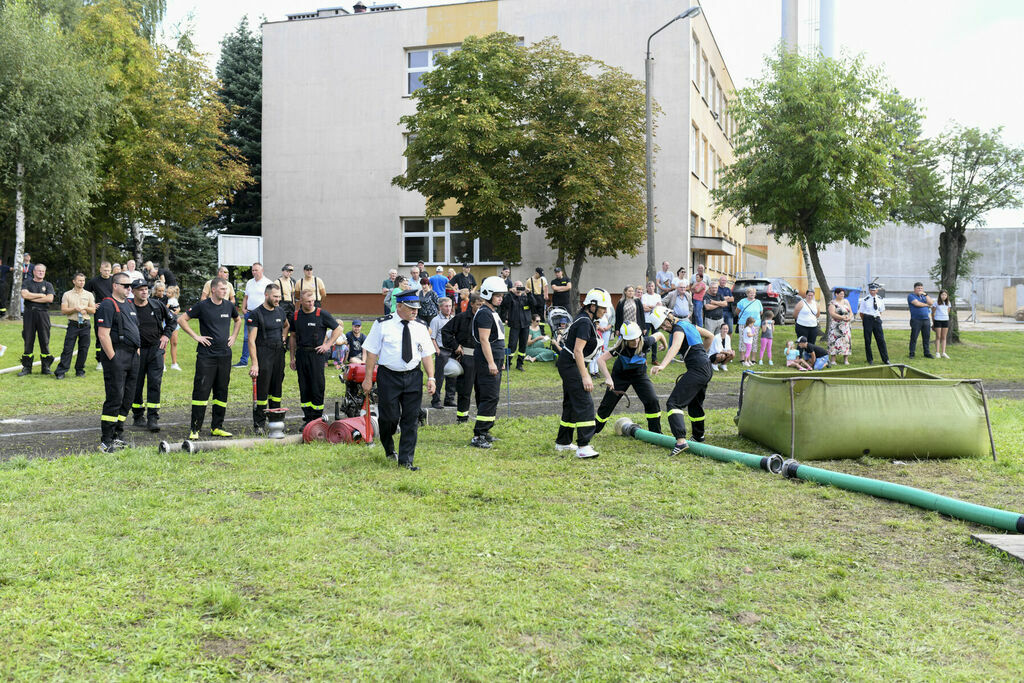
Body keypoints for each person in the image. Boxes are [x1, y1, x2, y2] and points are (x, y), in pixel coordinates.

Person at [362, 289, 437, 471]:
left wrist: (431, 378)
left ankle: (406, 461)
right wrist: (367, 378)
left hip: (413, 376)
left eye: (417, 308)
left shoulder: (420, 326)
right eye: (411, 308)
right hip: (389, 376)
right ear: (400, 306)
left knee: (411, 419)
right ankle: (389, 448)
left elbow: (427, 354)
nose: (415, 312)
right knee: (389, 418)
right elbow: (372, 352)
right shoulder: (382, 324)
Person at [178, 277, 242, 439]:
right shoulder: (202, 306)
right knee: (202, 390)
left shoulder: (229, 305)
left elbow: (238, 320)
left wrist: (233, 336)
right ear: (213, 289)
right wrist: (196, 337)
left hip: (224, 355)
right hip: (207, 356)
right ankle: (195, 429)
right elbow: (181, 319)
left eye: (226, 289)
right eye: (222, 288)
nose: (225, 291)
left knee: (222, 391)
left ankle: (217, 427)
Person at [553, 288, 611, 458]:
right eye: (603, 308)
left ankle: (563, 442)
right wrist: (585, 376)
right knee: (585, 403)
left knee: (571, 403)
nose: (605, 311)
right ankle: (583, 446)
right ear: (592, 306)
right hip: (572, 363)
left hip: (569, 362)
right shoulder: (585, 322)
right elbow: (578, 351)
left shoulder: (587, 320)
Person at [650, 305, 715, 455]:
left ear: (669, 317)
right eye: (661, 327)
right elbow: (710, 336)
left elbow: (676, 346)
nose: (665, 328)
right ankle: (698, 437)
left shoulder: (678, 328)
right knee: (694, 403)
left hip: (698, 369)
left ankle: (680, 441)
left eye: (664, 324)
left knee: (673, 403)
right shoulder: (688, 324)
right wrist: (702, 354)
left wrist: (662, 365)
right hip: (705, 367)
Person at [95, 272, 141, 452]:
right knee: (115, 398)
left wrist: (137, 352)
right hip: (117, 355)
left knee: (127, 398)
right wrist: (113, 358)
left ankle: (117, 435)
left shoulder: (129, 304)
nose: (129, 289)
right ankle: (106, 440)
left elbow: (135, 329)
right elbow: (103, 334)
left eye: (130, 286)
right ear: (115, 285)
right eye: (125, 285)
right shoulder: (107, 304)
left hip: (132, 356)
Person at [593, 321, 662, 436]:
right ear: (625, 339)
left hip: (639, 376)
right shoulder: (620, 347)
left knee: (652, 400)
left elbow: (659, 335)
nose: (635, 342)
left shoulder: (645, 342)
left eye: (637, 338)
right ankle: (593, 430)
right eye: (631, 340)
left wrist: (664, 345)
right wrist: (608, 378)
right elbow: (600, 360)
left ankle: (656, 433)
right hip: (620, 376)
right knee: (607, 405)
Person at [289, 288, 344, 425]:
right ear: (300, 301)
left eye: (313, 300)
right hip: (301, 355)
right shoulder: (296, 316)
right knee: (304, 387)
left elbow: (338, 329)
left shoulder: (321, 314)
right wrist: (292, 358)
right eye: (308, 301)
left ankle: (317, 418)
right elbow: (293, 337)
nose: (311, 303)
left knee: (317, 386)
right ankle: (307, 419)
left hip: (316, 355)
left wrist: (328, 345)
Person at [129, 279, 176, 432]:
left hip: (155, 350)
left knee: (155, 383)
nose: (144, 292)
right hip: (136, 351)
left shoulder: (157, 305)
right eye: (140, 289)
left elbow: (172, 320)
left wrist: (166, 336)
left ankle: (153, 417)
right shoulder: (128, 307)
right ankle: (137, 415)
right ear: (133, 291)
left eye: (146, 289)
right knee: (136, 384)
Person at [469, 276, 508, 448]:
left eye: (502, 295)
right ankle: (479, 435)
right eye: (497, 295)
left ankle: (485, 431)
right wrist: (491, 363)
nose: (500, 298)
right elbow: (484, 340)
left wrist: (500, 361)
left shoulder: (491, 312)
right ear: (488, 294)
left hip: (495, 358)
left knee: (492, 396)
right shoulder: (484, 313)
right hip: (487, 360)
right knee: (489, 396)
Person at [247, 283, 289, 433]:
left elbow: (286, 325)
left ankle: (276, 421)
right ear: (266, 295)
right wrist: (255, 364)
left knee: (276, 390)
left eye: (279, 296)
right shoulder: (256, 314)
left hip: (279, 354)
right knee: (262, 391)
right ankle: (259, 424)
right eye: (275, 296)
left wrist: (284, 337)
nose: (278, 299)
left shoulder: (280, 312)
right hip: (263, 353)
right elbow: (251, 340)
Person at [440, 293, 484, 423]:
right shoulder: (461, 318)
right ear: (471, 304)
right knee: (465, 390)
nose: (481, 307)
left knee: (482, 389)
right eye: (478, 305)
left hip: (482, 358)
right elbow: (445, 331)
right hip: (466, 358)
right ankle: (462, 418)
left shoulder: (487, 318)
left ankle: (482, 417)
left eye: (483, 305)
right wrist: (455, 346)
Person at [54, 272, 96, 380]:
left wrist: (85, 308)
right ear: (74, 281)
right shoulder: (67, 294)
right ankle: (61, 371)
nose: (82, 282)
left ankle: (80, 370)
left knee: (84, 349)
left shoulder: (89, 295)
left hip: (85, 325)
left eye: (83, 281)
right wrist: (74, 309)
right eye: (79, 280)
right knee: (68, 348)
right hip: (73, 325)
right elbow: (63, 310)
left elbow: (93, 310)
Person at [19, 264, 56, 376]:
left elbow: (49, 298)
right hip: (29, 313)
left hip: (43, 314)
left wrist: (32, 296)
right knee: (28, 339)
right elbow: (24, 295)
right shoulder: (27, 283)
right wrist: (40, 295)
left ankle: (45, 367)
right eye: (38, 271)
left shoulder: (48, 284)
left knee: (44, 340)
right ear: (34, 272)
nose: (40, 273)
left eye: (43, 271)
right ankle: (27, 367)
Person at [235, 262, 274, 368]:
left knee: (263, 336)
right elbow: (246, 297)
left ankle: (263, 358)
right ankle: (244, 361)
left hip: (263, 313)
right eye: (253, 270)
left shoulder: (268, 283)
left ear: (262, 270)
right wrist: (243, 308)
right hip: (250, 313)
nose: (254, 272)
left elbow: (272, 299)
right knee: (247, 337)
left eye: (256, 270)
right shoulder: (249, 282)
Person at [427, 300, 456, 408]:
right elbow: (432, 337)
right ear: (440, 307)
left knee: (453, 376)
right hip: (442, 351)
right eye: (446, 306)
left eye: (450, 306)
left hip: (452, 350)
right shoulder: (436, 320)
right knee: (439, 378)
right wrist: (437, 349)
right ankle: (436, 400)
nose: (448, 308)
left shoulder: (453, 318)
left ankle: (449, 399)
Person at [504, 281, 532, 372]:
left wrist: (529, 294)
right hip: (515, 325)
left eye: (521, 286)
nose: (519, 288)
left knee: (523, 345)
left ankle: (520, 364)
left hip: (525, 325)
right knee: (512, 345)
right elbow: (505, 303)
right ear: (514, 287)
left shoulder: (525, 297)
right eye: (517, 286)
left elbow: (534, 304)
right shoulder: (511, 297)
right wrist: (511, 293)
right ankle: (508, 363)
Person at [859, 282, 889, 365]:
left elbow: (880, 311)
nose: (872, 291)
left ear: (877, 290)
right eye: (871, 290)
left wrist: (876, 317)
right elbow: (861, 313)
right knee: (868, 340)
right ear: (869, 290)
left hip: (877, 320)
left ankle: (885, 359)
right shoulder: (865, 300)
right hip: (868, 319)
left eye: (874, 290)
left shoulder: (880, 299)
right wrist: (866, 320)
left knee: (881, 340)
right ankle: (870, 359)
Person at [907, 282, 935, 359]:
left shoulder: (924, 296)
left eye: (921, 288)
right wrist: (927, 305)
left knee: (926, 337)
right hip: (916, 320)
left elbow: (931, 302)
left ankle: (927, 352)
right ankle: (912, 353)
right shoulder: (911, 296)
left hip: (926, 319)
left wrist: (925, 295)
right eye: (918, 288)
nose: (920, 290)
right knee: (914, 337)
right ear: (914, 289)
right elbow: (917, 304)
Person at [827, 287, 853, 365]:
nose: (842, 295)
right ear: (836, 294)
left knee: (846, 341)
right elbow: (832, 313)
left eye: (843, 294)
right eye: (841, 294)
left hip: (845, 326)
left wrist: (849, 317)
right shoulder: (832, 303)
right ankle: (833, 360)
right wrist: (842, 318)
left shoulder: (846, 302)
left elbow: (851, 312)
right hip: (836, 326)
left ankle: (846, 359)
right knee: (834, 342)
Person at [165, 286, 182, 371]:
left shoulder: (174, 300)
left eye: (168, 292)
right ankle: (162, 364)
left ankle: (174, 363)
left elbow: (178, 308)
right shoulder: (166, 299)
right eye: (166, 292)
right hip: (167, 322)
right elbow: (165, 308)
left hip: (174, 321)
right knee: (164, 343)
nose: (166, 294)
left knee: (174, 342)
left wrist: (177, 311)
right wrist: (170, 311)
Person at [932, 289, 952, 359]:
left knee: (944, 337)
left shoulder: (948, 303)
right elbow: (933, 313)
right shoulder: (936, 303)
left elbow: (948, 312)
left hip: (945, 320)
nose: (944, 296)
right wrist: (933, 323)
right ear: (940, 295)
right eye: (942, 295)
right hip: (938, 320)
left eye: (945, 295)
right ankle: (937, 352)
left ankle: (943, 352)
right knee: (938, 337)